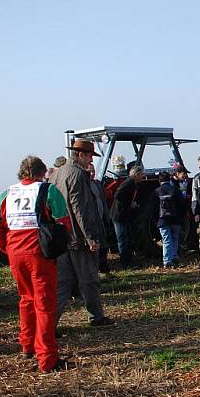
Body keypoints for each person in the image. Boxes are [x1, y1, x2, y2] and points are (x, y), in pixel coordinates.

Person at [0, 156, 72, 371]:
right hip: (38, 253)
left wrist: (5, 247)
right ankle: (47, 358)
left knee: (26, 299)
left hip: (16, 252)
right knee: (44, 304)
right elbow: (64, 221)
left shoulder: (8, 193)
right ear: (42, 172)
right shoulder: (47, 190)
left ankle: (27, 344)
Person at [53, 139, 115, 327]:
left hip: (62, 237)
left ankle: (48, 324)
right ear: (80, 155)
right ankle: (96, 316)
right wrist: (90, 237)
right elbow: (81, 208)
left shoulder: (58, 173)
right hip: (78, 238)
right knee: (89, 280)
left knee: (63, 283)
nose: (91, 161)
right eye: (89, 156)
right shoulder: (78, 175)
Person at [110, 165, 145, 268]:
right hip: (118, 216)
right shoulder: (128, 183)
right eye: (141, 174)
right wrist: (129, 203)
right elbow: (118, 195)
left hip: (123, 215)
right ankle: (125, 263)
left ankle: (129, 260)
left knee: (126, 238)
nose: (143, 176)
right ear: (137, 174)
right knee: (122, 239)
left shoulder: (132, 183)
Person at [87, 163, 112, 274]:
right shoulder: (84, 185)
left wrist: (107, 215)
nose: (92, 174)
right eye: (90, 171)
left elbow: (102, 201)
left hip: (101, 219)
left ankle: (104, 269)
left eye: (93, 171)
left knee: (103, 245)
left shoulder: (97, 184)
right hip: (91, 221)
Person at [156, 171, 183, 268]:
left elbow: (153, 207)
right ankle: (174, 257)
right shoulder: (176, 190)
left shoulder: (157, 191)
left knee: (166, 239)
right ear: (169, 179)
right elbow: (182, 204)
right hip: (175, 219)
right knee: (174, 238)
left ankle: (167, 260)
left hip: (162, 220)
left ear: (159, 180)